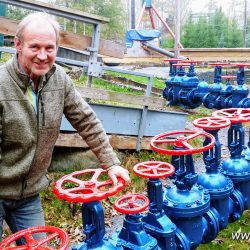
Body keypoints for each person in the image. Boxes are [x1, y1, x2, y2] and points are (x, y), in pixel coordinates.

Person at [0, 12, 130, 243]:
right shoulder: (2, 86)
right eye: (35, 47)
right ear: (18, 45)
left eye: (49, 48)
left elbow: (86, 120)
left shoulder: (58, 79)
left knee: (41, 246)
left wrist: (111, 163)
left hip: (29, 194)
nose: (42, 56)